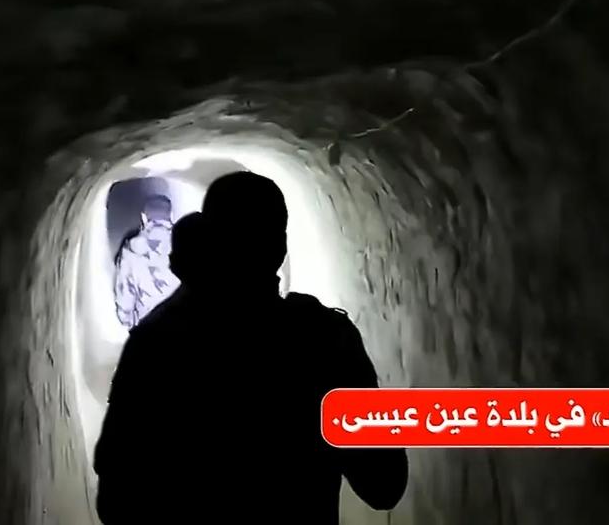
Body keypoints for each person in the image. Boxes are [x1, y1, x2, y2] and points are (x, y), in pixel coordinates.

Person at [93, 172, 409, 524]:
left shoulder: (155, 344)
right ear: (280, 248)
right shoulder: (322, 339)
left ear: (210, 242)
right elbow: (384, 484)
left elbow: (115, 502)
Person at [112, 195, 178, 329]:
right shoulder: (186, 244)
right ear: (171, 215)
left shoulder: (131, 250)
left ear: (144, 217)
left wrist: (131, 324)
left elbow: (125, 300)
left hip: (148, 330)